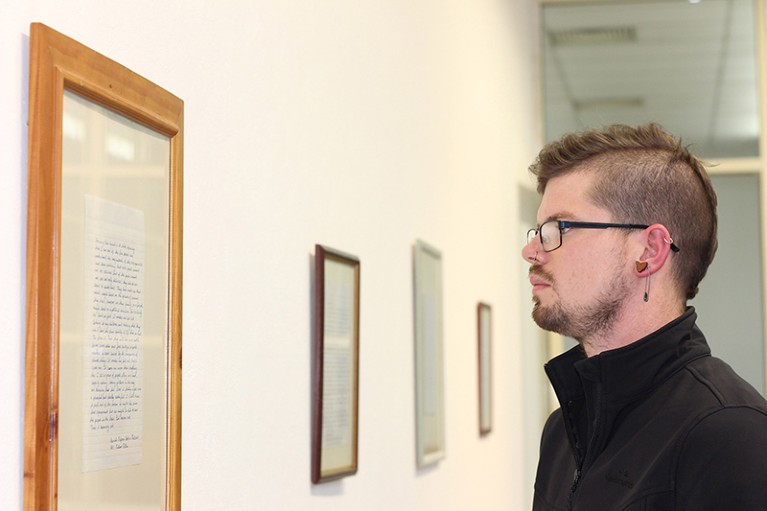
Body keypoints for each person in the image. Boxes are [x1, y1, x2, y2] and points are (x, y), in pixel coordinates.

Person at [522, 123, 767, 510]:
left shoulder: (732, 436)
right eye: (538, 230)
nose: (532, 251)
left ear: (649, 251)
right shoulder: (562, 433)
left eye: (559, 228)